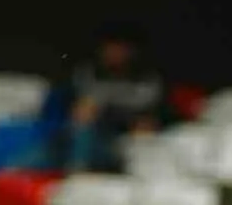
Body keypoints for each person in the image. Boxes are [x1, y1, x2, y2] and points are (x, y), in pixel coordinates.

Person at [43, 21, 168, 174]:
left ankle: (79, 173)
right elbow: (68, 109)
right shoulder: (87, 73)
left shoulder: (147, 80)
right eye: (109, 48)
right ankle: (75, 170)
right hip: (80, 139)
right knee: (24, 164)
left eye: (120, 49)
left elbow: (152, 117)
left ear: (132, 51)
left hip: (123, 144)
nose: (113, 53)